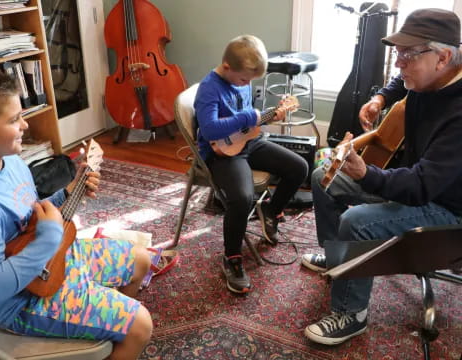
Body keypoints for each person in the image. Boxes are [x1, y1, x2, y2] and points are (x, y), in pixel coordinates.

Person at [300, 8, 462, 345]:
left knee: (358, 221)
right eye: (397, 53)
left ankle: (350, 313)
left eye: (408, 54)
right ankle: (337, 259)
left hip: (448, 209)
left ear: (443, 56)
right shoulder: (431, 75)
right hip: (419, 182)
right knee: (323, 178)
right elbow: (398, 82)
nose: (399, 62)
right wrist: (380, 98)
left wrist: (364, 173)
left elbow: (419, 187)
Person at [0, 69, 153, 360]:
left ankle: (103, 326)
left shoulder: (12, 162)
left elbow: (33, 219)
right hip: (22, 301)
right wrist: (48, 240)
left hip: (54, 258)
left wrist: (68, 192)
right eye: (13, 120)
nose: (25, 125)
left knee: (141, 260)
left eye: (22, 114)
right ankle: (117, 328)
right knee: (141, 325)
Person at [194, 35, 308, 294]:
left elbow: (247, 124)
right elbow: (211, 129)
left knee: (299, 167)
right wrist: (247, 116)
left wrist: (267, 117)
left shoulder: (242, 81)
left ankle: (271, 210)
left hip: (246, 143)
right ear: (226, 67)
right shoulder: (209, 88)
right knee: (242, 198)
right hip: (222, 153)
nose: (247, 85)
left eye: (251, 81)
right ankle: (232, 257)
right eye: (244, 79)